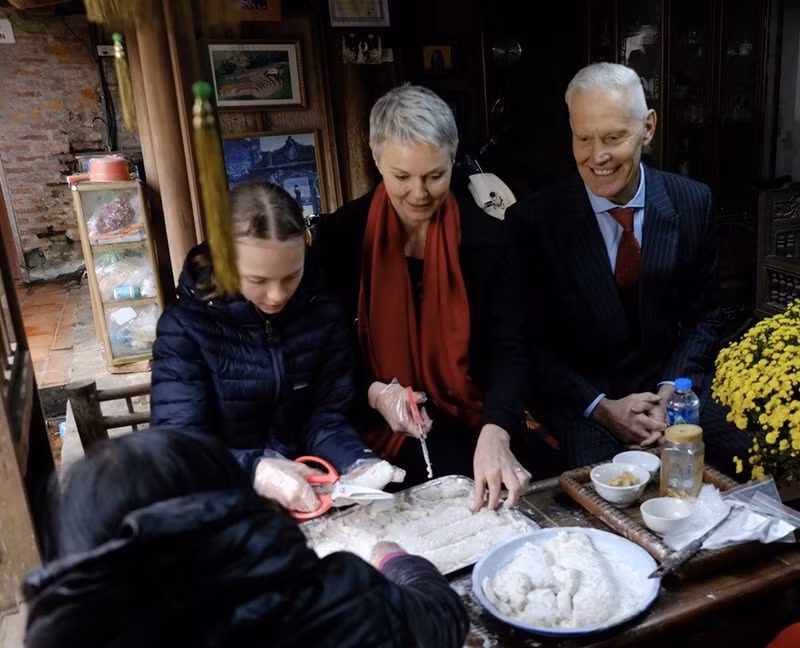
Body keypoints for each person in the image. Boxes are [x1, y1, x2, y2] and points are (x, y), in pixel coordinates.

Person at [505, 62, 748, 472]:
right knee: (609, 489)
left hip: (670, 389)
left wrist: (672, 392)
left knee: (750, 457)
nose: (597, 156)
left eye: (614, 137)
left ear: (648, 127)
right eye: (584, 138)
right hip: (587, 402)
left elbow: (703, 319)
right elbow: (527, 345)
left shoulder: (692, 202)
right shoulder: (534, 220)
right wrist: (603, 409)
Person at [23, 428, 470, 648]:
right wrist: (396, 561)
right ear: (232, 510)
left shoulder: (77, 629)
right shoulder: (331, 603)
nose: (275, 294)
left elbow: (327, 412)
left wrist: (348, 452)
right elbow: (442, 616)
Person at [312, 84, 532, 510]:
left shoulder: (489, 241)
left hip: (471, 411)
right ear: (377, 160)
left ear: (453, 159)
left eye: (434, 176)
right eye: (401, 177)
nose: (419, 193)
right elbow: (324, 349)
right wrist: (375, 392)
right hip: (368, 416)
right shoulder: (341, 239)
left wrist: (497, 429)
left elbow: (513, 347)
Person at [150, 181, 404, 514]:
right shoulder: (185, 328)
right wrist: (254, 470)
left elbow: (326, 415)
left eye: (291, 275)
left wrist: (354, 461)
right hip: (224, 503)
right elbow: (178, 449)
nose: (277, 295)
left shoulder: (322, 310)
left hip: (310, 493)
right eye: (258, 280)